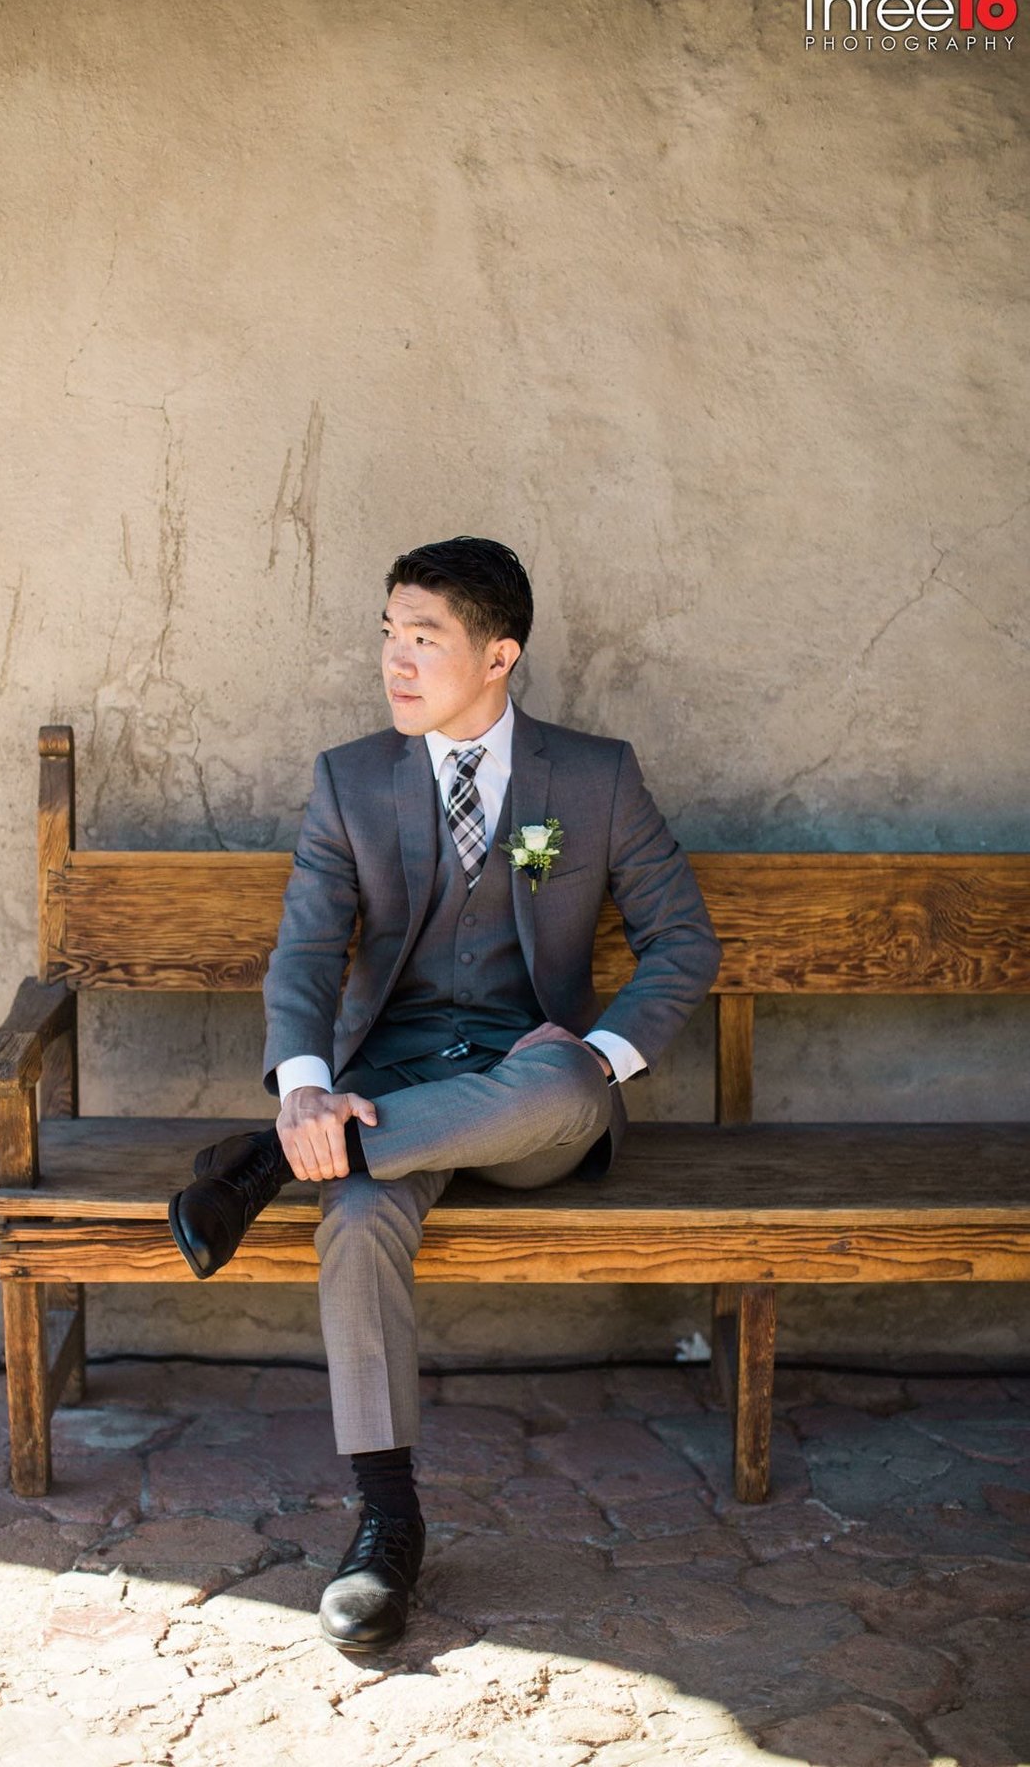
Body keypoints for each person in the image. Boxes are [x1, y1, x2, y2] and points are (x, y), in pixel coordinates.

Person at [167, 536, 721, 1652]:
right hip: (386, 1090)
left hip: (533, 1094)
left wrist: (607, 1053)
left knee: (569, 1084)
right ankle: (386, 1522)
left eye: (425, 639)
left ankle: (267, 1168)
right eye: (388, 634)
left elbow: (683, 942)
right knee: (358, 1209)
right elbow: (309, 951)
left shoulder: (594, 776)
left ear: (500, 655)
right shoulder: (352, 778)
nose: (396, 661)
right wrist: (309, 1089)